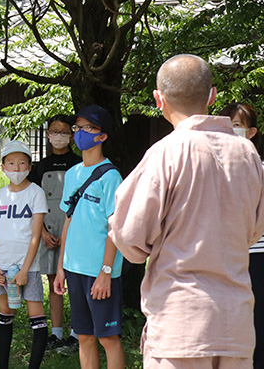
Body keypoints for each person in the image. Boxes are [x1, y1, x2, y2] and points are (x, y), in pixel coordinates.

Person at [109, 55, 264, 369]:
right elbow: (254, 231)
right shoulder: (247, 153)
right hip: (235, 322)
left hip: (181, 320)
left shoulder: (166, 152)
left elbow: (130, 238)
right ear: (212, 95)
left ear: (158, 99)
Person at [53, 105, 125, 369]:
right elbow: (68, 220)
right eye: (78, 127)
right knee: (84, 336)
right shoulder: (72, 173)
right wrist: (60, 267)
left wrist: (106, 272)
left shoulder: (111, 176)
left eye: (88, 127)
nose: (80, 132)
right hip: (74, 268)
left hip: (99, 271)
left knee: (108, 338)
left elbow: (114, 229)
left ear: (102, 136)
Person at [0, 140, 47, 369]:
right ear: (3, 167)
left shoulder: (36, 193)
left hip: (27, 268)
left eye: (22, 163)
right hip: (1, 266)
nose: (16, 168)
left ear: (29, 167)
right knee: (5, 314)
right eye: (11, 163)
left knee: (36, 317)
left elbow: (35, 235)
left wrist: (24, 271)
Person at [28, 114, 81, 353]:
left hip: (76, 232)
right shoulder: (39, 167)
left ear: (71, 136)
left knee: (77, 282)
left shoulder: (80, 165)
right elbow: (32, 205)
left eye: (63, 132)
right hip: (48, 233)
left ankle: (77, 333)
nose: (58, 136)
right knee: (53, 283)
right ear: (48, 135)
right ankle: (57, 333)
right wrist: (42, 232)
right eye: (53, 131)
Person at [219, 102, 264, 369]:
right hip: (222, 255)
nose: (231, 131)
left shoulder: (260, 168)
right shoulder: (213, 166)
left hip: (257, 255)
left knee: (257, 320)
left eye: (237, 126)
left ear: (252, 132)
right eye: (227, 125)